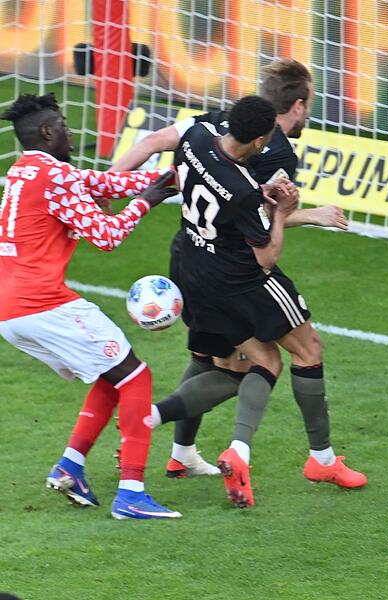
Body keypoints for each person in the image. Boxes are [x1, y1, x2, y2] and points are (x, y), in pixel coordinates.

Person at [110, 59, 358, 493]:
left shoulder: (205, 130)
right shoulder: (272, 156)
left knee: (217, 360)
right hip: (238, 272)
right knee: (297, 352)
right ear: (297, 107)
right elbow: (261, 236)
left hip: (189, 257)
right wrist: (302, 214)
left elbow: (153, 142)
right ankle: (314, 458)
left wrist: (107, 188)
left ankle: (173, 445)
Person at [0, 93, 181, 520]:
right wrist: (149, 201)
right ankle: (132, 494)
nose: (70, 130)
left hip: (11, 310)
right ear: (48, 132)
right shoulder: (55, 177)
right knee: (137, 377)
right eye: (63, 123)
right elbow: (106, 235)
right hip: (41, 302)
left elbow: (103, 184)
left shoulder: (26, 170)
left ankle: (71, 466)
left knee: (112, 371)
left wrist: (176, 176)